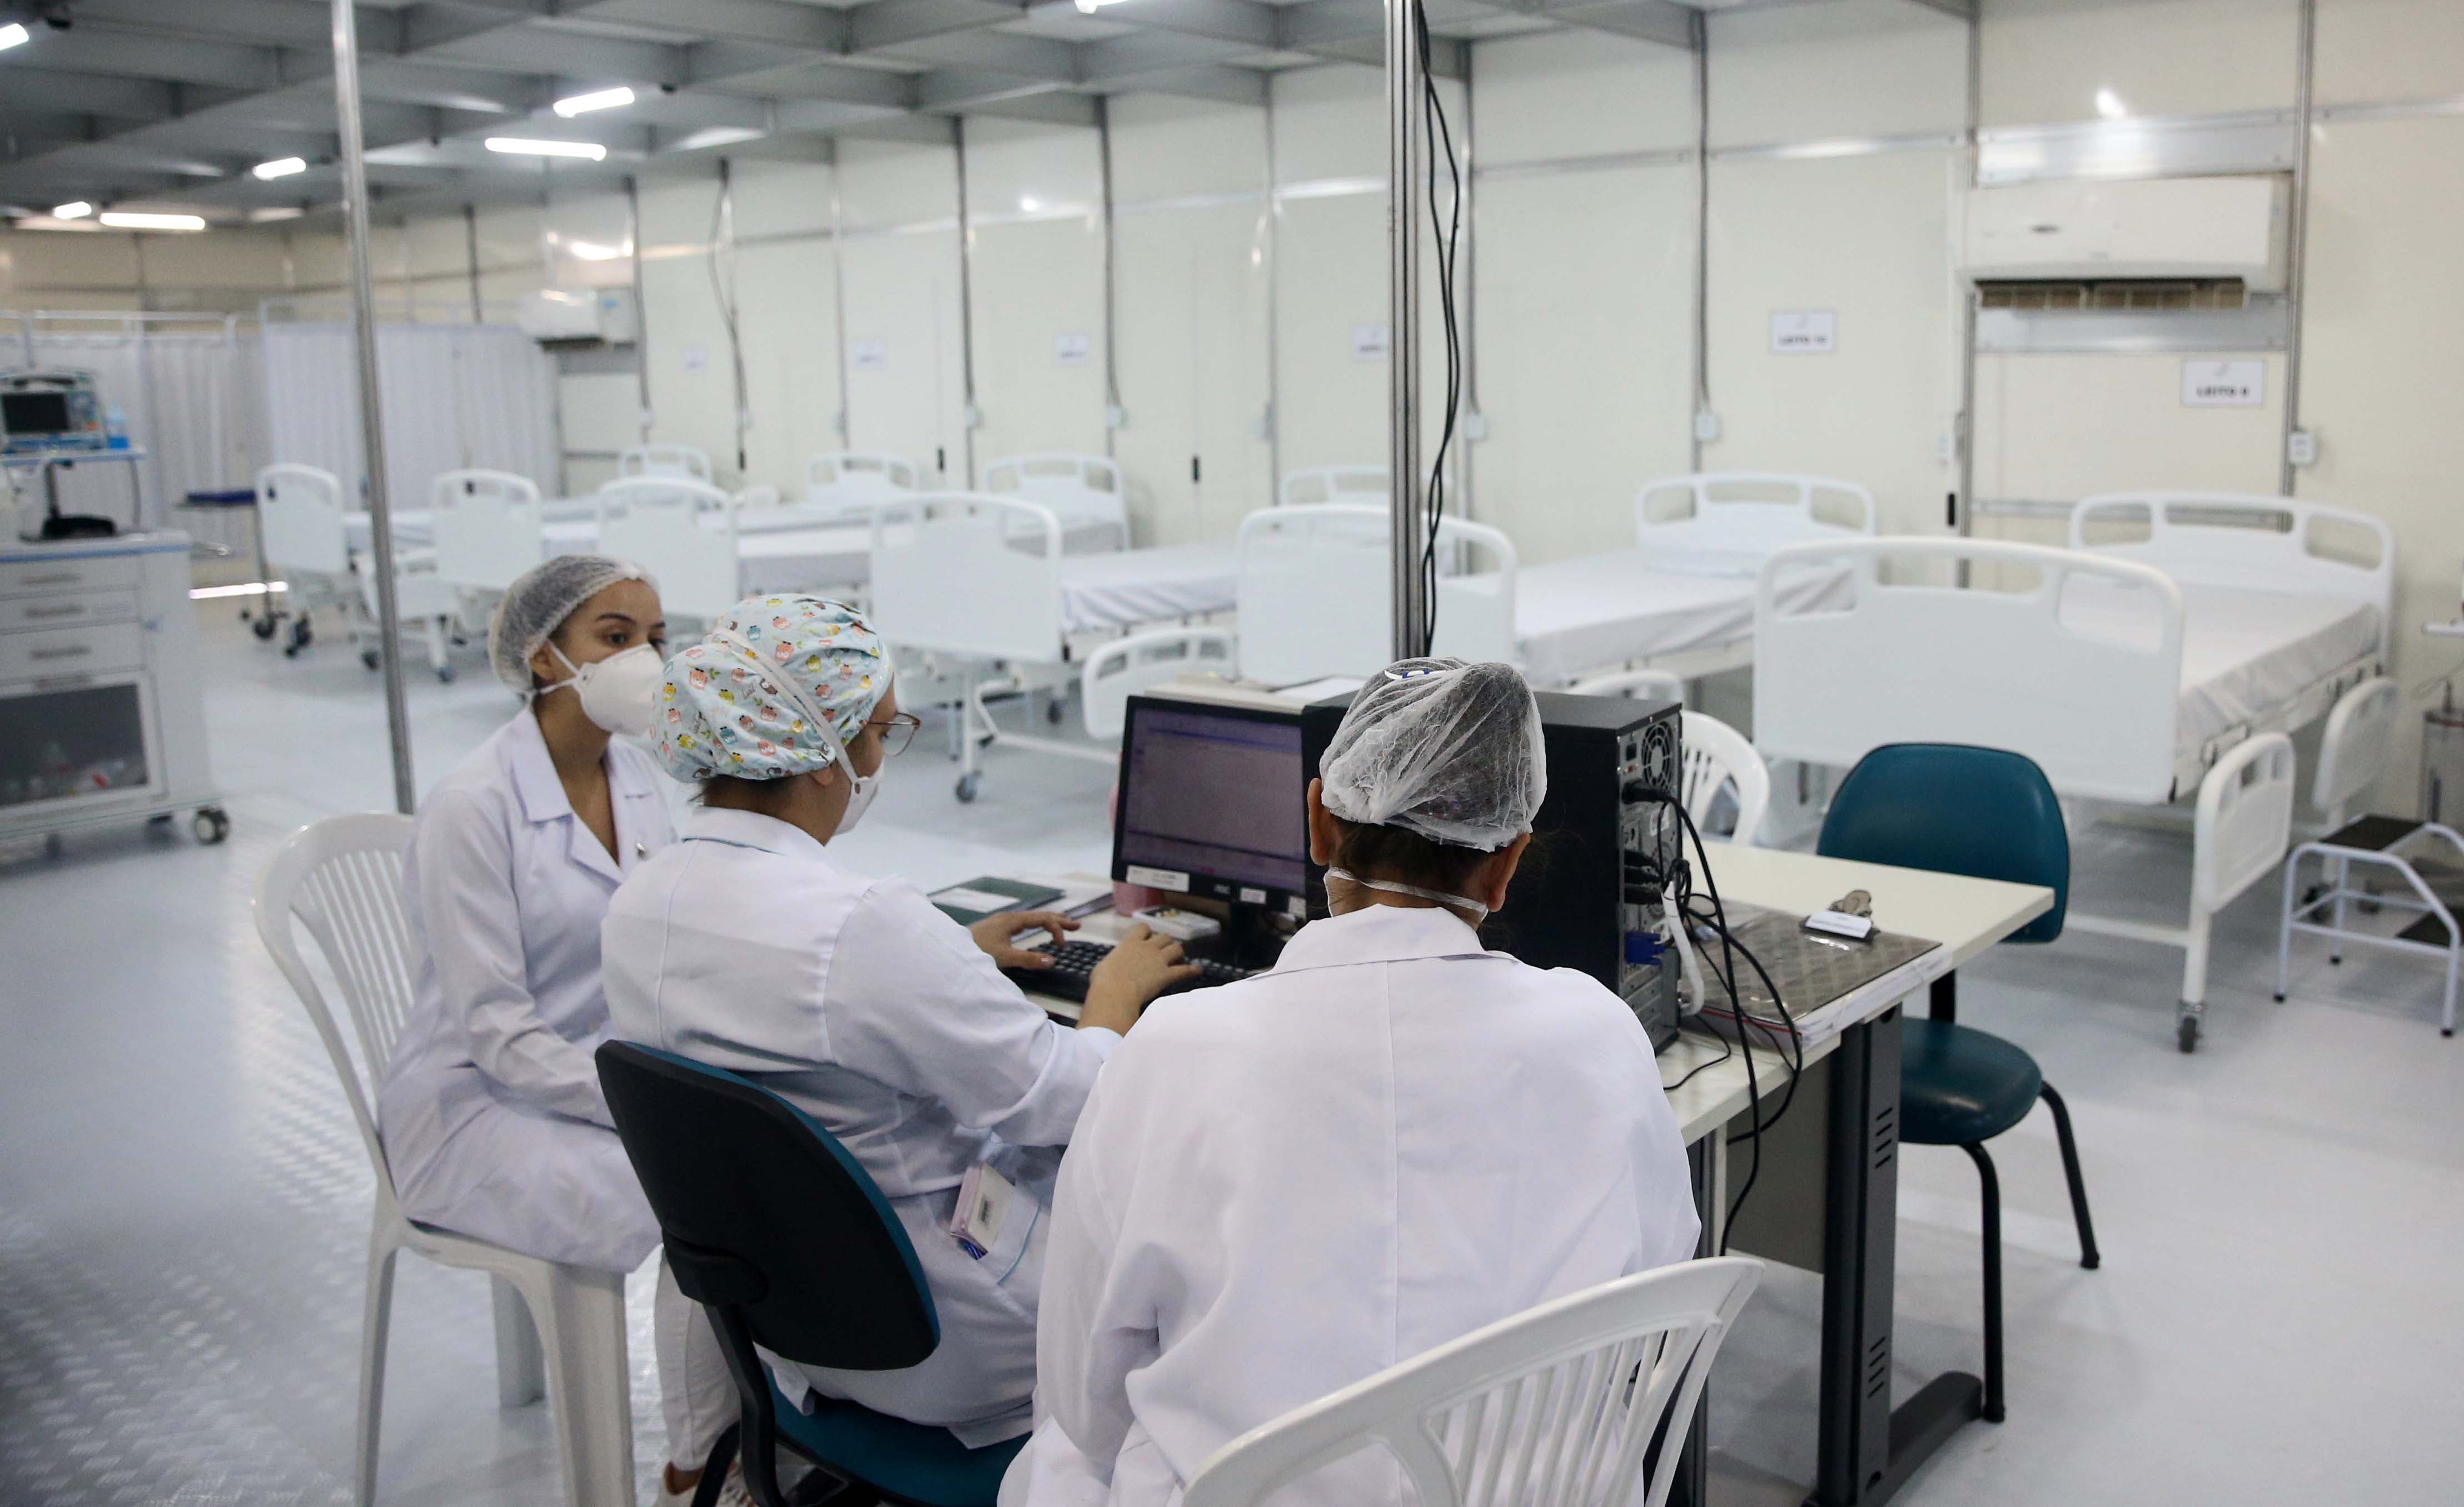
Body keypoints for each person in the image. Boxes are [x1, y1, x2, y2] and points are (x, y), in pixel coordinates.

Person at [1014, 658, 1701, 1507]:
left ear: (1316, 822)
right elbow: (1657, 1292)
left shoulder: (1175, 1049)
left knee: (1056, 1458)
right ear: (1507, 864)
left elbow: (1088, 1393)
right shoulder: (1601, 1034)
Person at [602, 595, 1196, 1456]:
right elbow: (1064, 1100)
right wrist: (1112, 994)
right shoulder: (862, 926)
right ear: (817, 754)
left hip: (799, 1329)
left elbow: (792, 1005)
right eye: (880, 733)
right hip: (958, 1341)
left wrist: (948, 959)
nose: (880, 759)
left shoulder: (640, 903)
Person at [375, 554, 735, 1504]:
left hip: (598, 1070)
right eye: (614, 638)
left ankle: (741, 1436)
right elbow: (497, 1030)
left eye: (655, 638)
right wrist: (643, 1105)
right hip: (473, 1104)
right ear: (543, 657)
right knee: (702, 1185)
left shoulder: (641, 778)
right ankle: (694, 1466)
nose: (646, 660)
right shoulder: (473, 805)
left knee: (761, 1158)